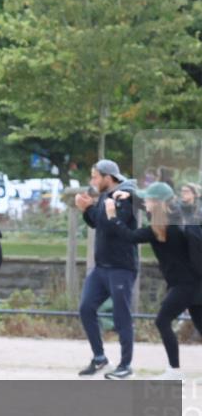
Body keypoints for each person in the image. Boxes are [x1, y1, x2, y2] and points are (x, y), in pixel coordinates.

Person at [105, 182, 202, 379]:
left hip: (185, 285)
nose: (145, 202)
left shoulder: (160, 229)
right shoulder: (173, 219)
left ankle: (174, 371)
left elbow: (129, 236)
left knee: (162, 321)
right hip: (194, 282)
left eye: (148, 199)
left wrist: (113, 217)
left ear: (157, 203)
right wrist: (131, 195)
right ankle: (174, 370)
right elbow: (147, 205)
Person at [73, 159, 140, 379]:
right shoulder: (104, 195)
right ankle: (99, 357)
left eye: (94, 176)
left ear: (107, 177)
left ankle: (126, 365)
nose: (91, 181)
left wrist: (91, 207)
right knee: (85, 307)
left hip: (121, 267)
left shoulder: (124, 195)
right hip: (102, 267)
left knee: (122, 316)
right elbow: (98, 223)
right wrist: (87, 210)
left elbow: (113, 226)